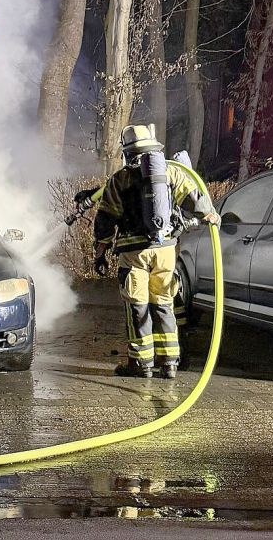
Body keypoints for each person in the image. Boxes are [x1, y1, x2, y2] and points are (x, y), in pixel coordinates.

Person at [92, 124, 219, 379]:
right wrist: (211, 215)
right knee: (163, 304)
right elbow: (195, 200)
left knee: (137, 306)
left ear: (127, 152)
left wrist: (100, 252)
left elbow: (105, 219)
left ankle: (140, 364)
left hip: (134, 254)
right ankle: (170, 362)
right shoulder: (171, 173)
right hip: (165, 251)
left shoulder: (120, 180)